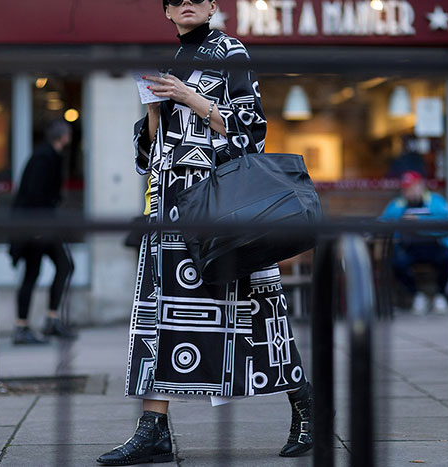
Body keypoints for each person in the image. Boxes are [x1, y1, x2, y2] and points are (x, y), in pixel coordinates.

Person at [97, 1, 312, 465]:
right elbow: (148, 154)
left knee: (258, 314)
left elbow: (252, 133)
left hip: (224, 209)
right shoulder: (169, 65)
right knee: (161, 316)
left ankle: (306, 406)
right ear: (167, 12)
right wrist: (155, 110)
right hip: (172, 210)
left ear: (213, 5)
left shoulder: (230, 51)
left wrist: (192, 99)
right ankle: (152, 430)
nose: (187, 2)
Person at [9, 120, 76, 344]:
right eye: (68, 133)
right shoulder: (43, 158)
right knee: (32, 273)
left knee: (64, 265)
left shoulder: (53, 157)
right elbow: (33, 194)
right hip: (34, 227)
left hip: (44, 225)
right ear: (62, 136)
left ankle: (51, 320)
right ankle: (21, 328)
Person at [380, 171, 448, 315]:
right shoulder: (397, 204)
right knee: (396, 261)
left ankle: (442, 296)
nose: (408, 191)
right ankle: (417, 296)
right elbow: (383, 224)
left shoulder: (435, 201)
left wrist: (419, 222)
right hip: (408, 247)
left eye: (411, 187)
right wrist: (402, 222)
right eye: (405, 188)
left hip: (435, 245)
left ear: (420, 186)